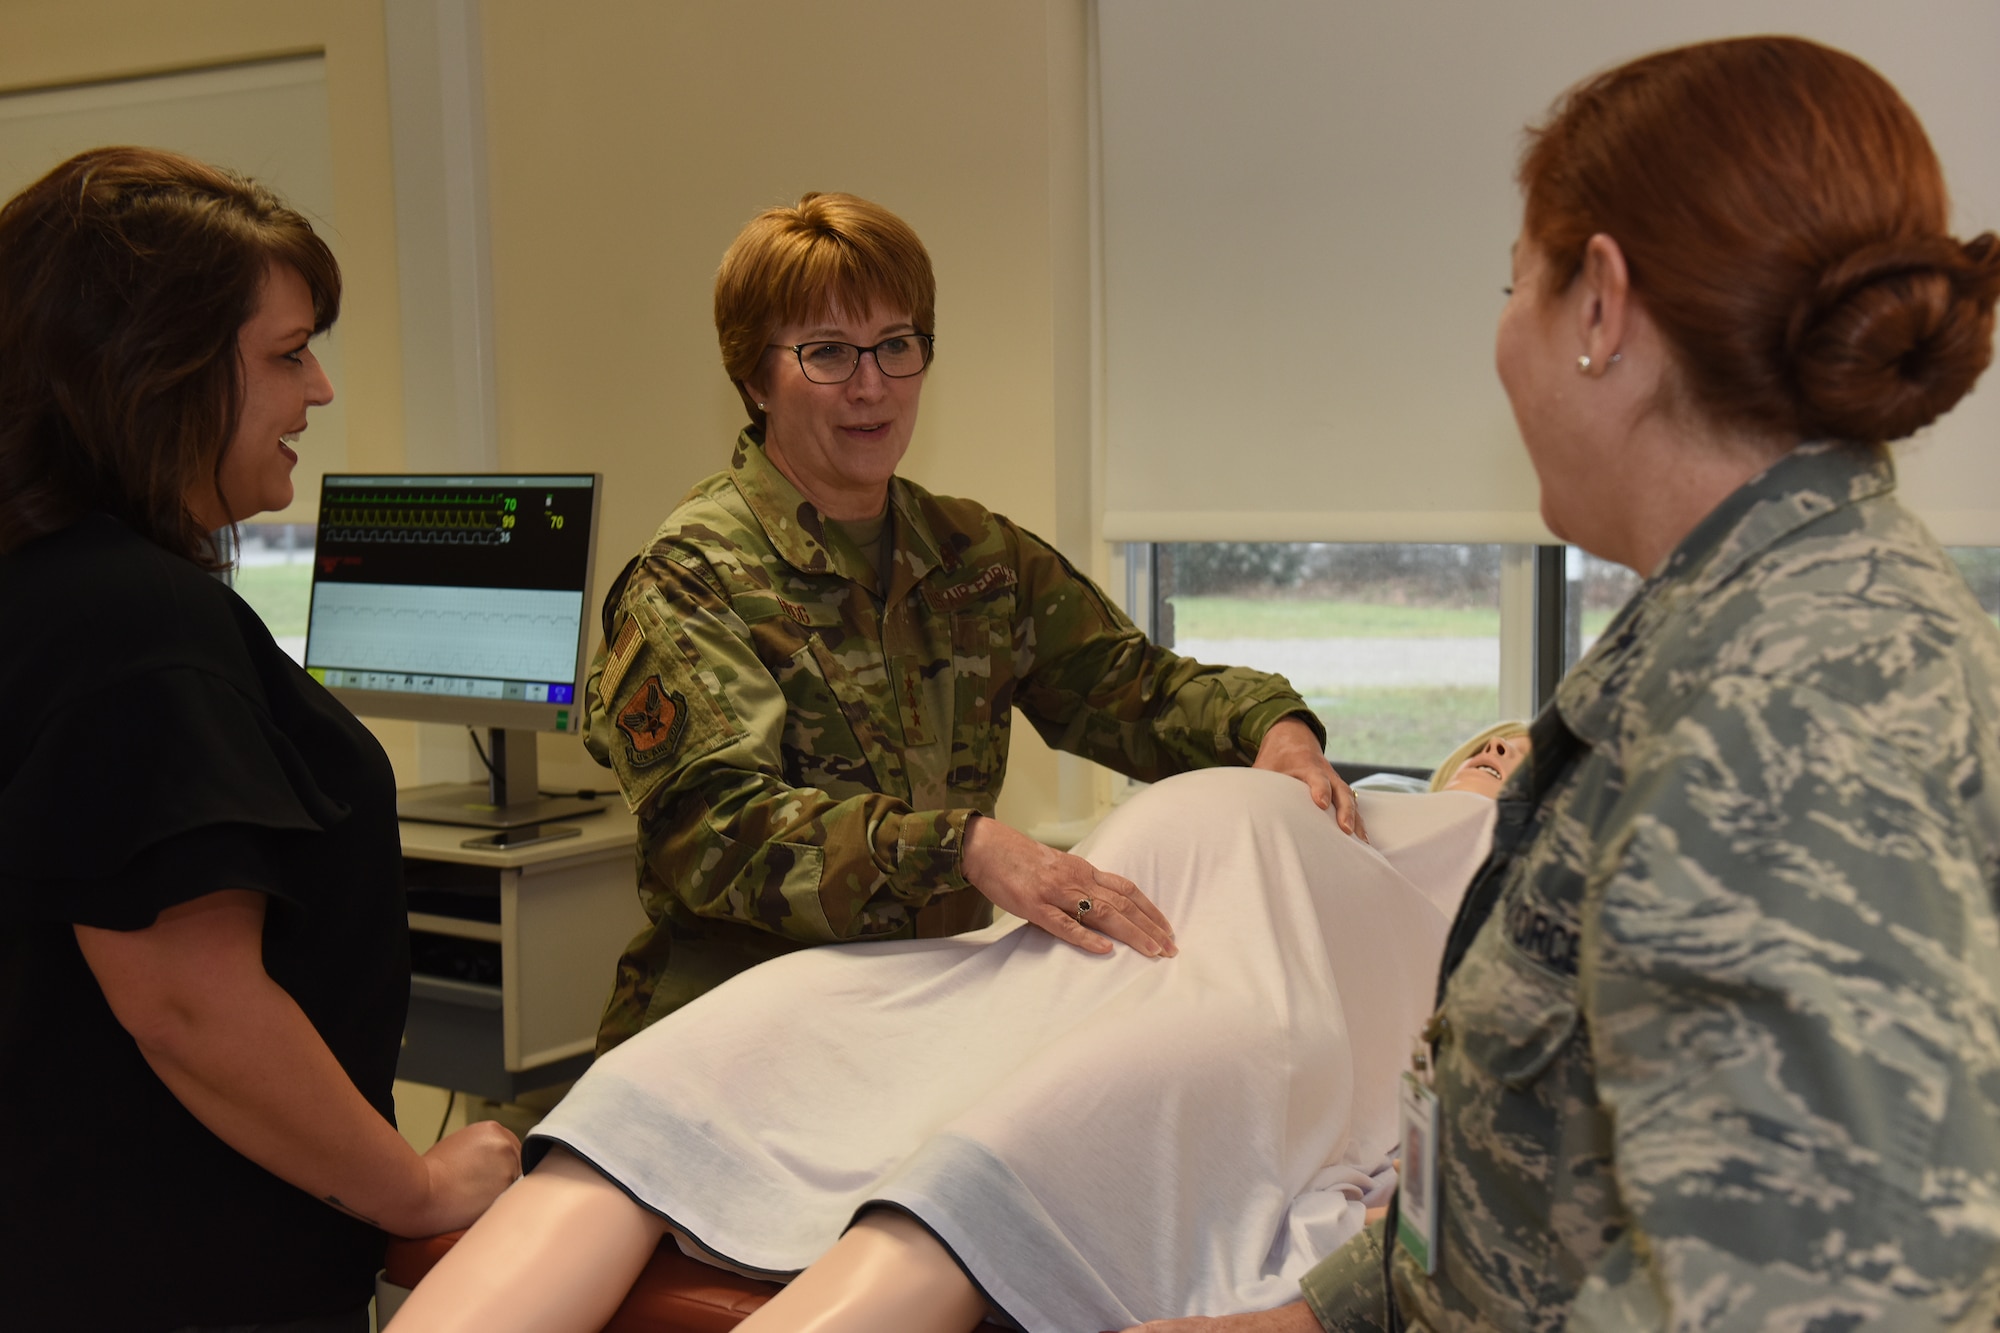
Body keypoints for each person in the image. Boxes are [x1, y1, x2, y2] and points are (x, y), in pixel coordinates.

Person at [1151, 35, 2000, 1333]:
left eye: (1516, 286)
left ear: (1600, 307)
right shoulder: (1721, 625)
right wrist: (1324, 1315)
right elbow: (1563, 1175)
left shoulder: (1788, 720)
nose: (1503, 341)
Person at [384, 726, 1530, 1333]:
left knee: (1010, 1143)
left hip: (1247, 987)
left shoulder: (1509, 879)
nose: (1496, 754)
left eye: (1523, 754)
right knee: (744, 1040)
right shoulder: (1335, 793)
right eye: (1485, 741)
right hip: (1042, 947)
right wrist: (1279, 739)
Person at [581, 191, 1361, 1054]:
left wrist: (1273, 726)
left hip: (925, 1022)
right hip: (727, 1044)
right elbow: (717, 836)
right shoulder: (691, 578)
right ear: (753, 376)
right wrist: (966, 848)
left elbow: (1139, 691)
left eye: (897, 346)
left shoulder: (974, 557)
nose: (872, 385)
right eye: (829, 352)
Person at [0, 147, 521, 1332]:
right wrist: (415, 1180)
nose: (320, 390)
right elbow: (190, 1004)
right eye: (287, 354)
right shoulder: (134, 625)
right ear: (152, 370)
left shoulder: (45, 584)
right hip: (165, 1272)